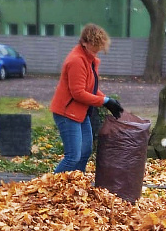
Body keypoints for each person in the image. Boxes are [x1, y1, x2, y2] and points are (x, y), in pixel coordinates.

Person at [50, 24, 123, 173]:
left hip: (80, 113)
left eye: (99, 47)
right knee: (73, 157)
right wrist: (105, 101)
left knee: (84, 152)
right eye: (94, 46)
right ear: (84, 42)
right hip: (67, 113)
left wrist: (107, 100)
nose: (96, 51)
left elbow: (91, 88)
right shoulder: (77, 61)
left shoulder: (89, 60)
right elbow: (78, 92)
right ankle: (50, 189)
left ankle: (76, 187)